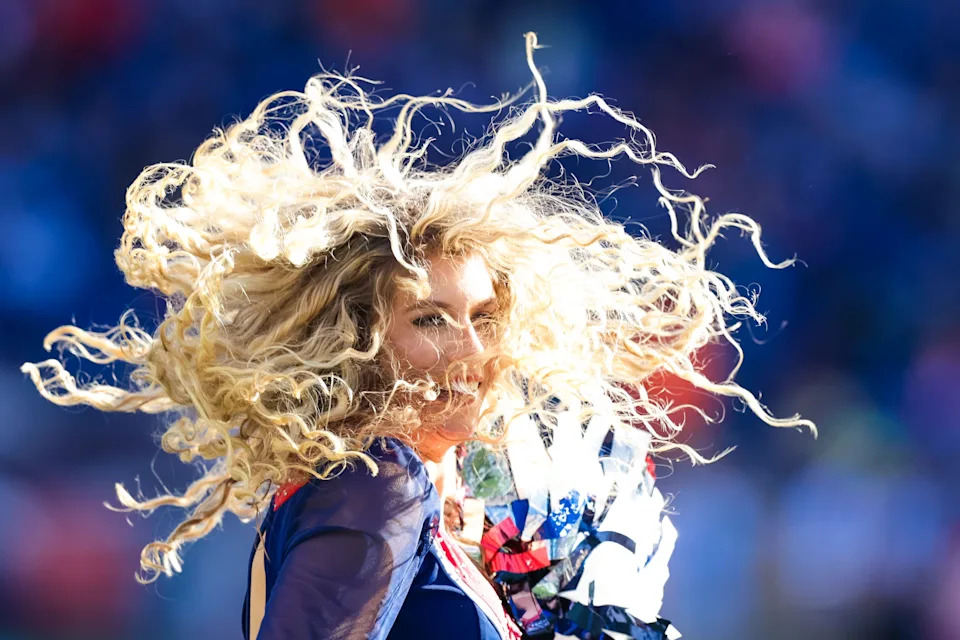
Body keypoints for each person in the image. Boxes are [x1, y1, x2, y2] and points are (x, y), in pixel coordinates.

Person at [20, 32, 814, 639]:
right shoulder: (376, 482)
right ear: (356, 339)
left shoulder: (468, 501)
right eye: (430, 320)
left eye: (483, 319)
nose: (469, 351)